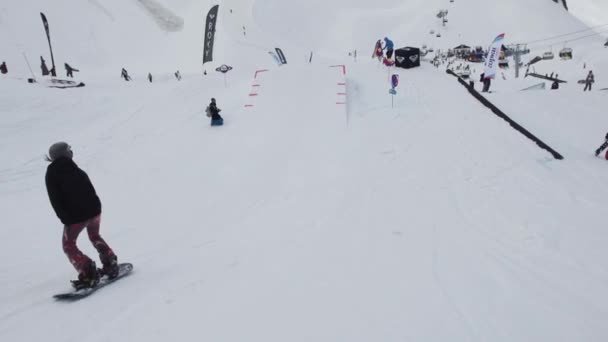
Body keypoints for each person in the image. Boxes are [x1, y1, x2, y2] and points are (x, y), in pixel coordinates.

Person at [45, 142, 119, 288]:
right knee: (95, 236)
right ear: (64, 154)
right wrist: (96, 208)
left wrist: (65, 218)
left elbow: (55, 199)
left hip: (76, 218)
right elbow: (89, 189)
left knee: (69, 245)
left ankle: (88, 272)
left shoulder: (53, 173)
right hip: (94, 211)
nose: (72, 152)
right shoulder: (75, 169)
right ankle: (110, 263)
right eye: (69, 150)